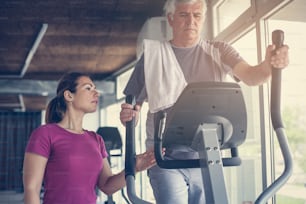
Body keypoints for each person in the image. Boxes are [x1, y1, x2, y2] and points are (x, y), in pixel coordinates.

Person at [119, 0, 289, 203]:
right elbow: (132, 108)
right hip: (164, 158)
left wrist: (269, 64)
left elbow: (252, 76)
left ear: (203, 19)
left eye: (197, 15)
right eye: (183, 15)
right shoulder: (153, 56)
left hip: (208, 154)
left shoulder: (219, 50)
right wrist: (129, 115)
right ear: (171, 19)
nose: (191, 20)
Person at [23, 72, 156, 204]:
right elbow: (31, 189)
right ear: (69, 95)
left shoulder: (96, 139)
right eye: (88, 88)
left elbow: (107, 186)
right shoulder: (45, 134)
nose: (96, 93)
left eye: (95, 89)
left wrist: (136, 167)